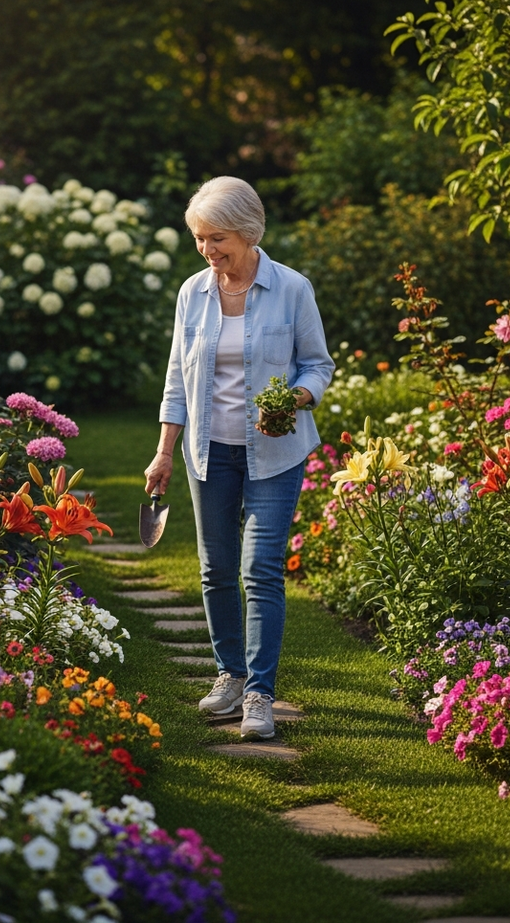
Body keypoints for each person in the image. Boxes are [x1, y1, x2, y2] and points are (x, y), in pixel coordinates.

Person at [143, 176, 334, 740]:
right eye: (199, 238)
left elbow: (317, 366)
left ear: (249, 233)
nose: (207, 250)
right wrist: (163, 453)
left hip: (276, 451)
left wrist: (295, 397)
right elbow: (178, 377)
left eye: (217, 237)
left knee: (261, 570)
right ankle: (229, 675)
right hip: (210, 451)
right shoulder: (192, 293)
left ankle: (259, 694)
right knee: (216, 571)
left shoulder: (292, 289)